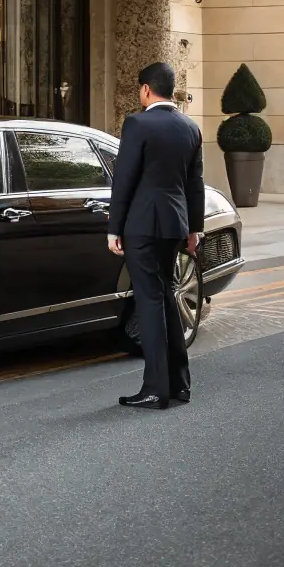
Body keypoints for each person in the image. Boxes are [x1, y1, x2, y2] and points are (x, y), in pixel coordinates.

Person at [107, 61, 205, 410]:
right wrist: (195, 229)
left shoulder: (137, 123)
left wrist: (114, 227)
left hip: (143, 226)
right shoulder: (190, 127)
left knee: (149, 303)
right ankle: (180, 385)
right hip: (175, 226)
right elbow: (195, 185)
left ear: (146, 89)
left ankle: (154, 389)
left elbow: (125, 179)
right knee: (164, 298)